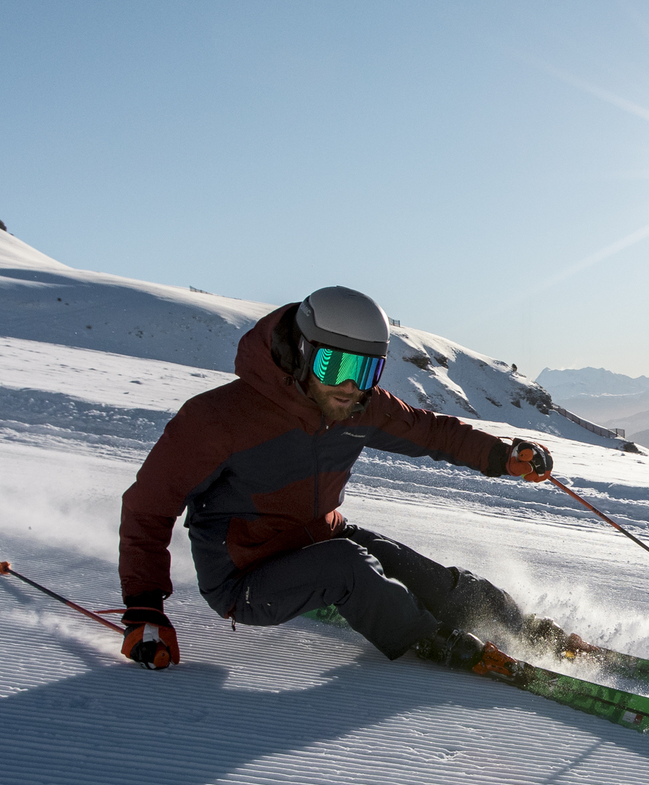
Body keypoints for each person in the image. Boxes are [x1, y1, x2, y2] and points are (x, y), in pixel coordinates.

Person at [115, 285, 556, 672]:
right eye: (333, 365)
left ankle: (516, 624)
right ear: (302, 353)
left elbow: (430, 432)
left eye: (364, 370)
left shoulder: (358, 406)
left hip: (320, 537)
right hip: (244, 577)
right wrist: (144, 608)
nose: (349, 385)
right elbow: (148, 509)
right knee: (349, 565)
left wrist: (503, 456)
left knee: (419, 573)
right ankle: (434, 641)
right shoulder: (219, 418)